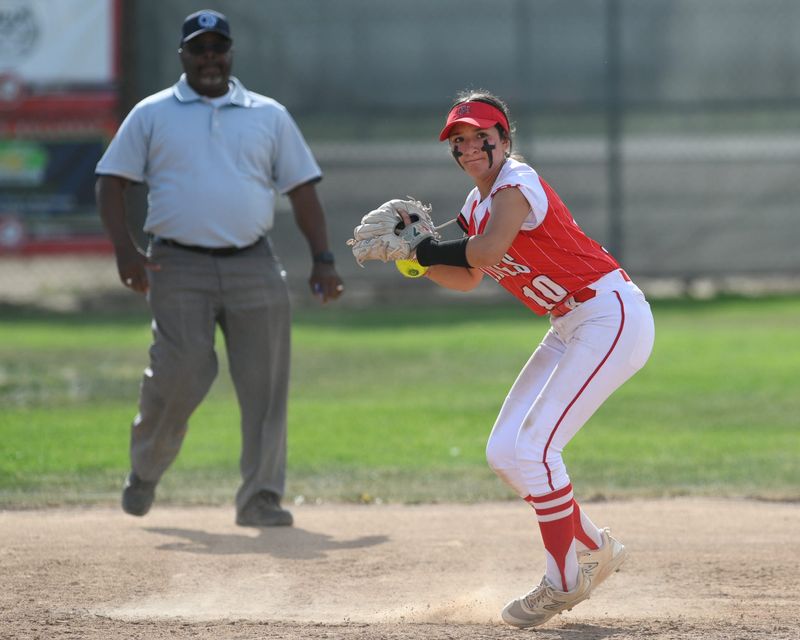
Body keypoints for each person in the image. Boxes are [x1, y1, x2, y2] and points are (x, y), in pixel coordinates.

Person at [406, 90, 655, 627]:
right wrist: (413, 259)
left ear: (505, 139)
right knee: (505, 452)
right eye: (460, 140)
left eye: (481, 136)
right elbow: (469, 276)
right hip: (569, 324)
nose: (470, 147)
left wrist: (425, 249)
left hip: (609, 315)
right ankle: (596, 546)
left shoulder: (516, 184)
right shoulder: (475, 206)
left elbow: (488, 252)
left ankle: (563, 579)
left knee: (538, 447)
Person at [95, 9, 343, 528]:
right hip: (176, 263)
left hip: (253, 261)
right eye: (199, 48)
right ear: (183, 55)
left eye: (218, 48)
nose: (209, 57)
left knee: (266, 385)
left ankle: (260, 498)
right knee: (184, 368)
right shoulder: (152, 112)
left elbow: (301, 189)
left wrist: (322, 259)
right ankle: (146, 470)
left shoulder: (267, 114)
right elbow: (111, 181)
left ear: (230, 53)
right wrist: (125, 252)